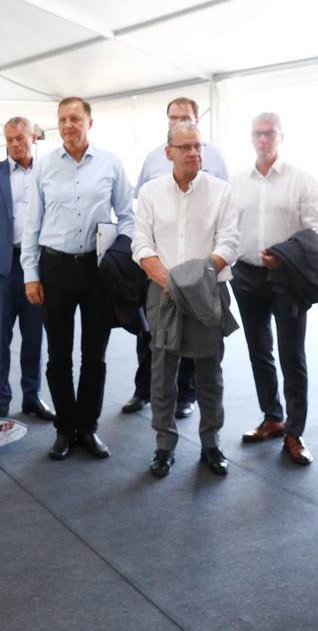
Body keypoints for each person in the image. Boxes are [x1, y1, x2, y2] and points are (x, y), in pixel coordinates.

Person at [22, 97, 134, 461]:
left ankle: (88, 427)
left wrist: (121, 256)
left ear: (89, 122)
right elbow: (32, 224)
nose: (68, 125)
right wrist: (31, 275)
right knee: (58, 356)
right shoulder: (44, 166)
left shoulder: (110, 163)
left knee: (94, 355)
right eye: (62, 120)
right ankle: (64, 429)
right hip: (55, 269)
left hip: (97, 270)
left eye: (74, 118)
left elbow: (128, 216)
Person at [133, 122, 239, 477]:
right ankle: (164, 446)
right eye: (186, 147)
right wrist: (171, 282)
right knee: (162, 375)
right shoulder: (150, 192)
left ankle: (211, 443)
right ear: (169, 153)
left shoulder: (221, 191)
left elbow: (229, 244)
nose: (194, 152)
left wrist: (193, 281)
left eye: (198, 146)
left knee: (209, 373)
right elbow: (141, 244)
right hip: (162, 291)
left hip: (207, 292)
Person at [230, 112, 318, 465]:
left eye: (269, 133)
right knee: (259, 351)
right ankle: (272, 418)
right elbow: (227, 228)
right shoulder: (236, 182)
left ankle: (295, 432)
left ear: (281, 137)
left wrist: (285, 258)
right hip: (246, 276)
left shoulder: (301, 180)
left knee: (292, 356)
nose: (263, 139)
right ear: (250, 137)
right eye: (257, 134)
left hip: (287, 278)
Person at [123, 97, 228, 417]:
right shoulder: (153, 159)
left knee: (200, 347)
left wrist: (195, 279)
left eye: (186, 117)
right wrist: (166, 277)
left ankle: (186, 396)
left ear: (198, 120)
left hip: (202, 277)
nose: (179, 120)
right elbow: (142, 219)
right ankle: (143, 391)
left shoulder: (213, 158)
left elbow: (225, 223)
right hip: (160, 273)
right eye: (173, 117)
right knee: (154, 340)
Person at [0, 117, 53, 421]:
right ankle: (1, 398)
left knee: (34, 338)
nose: (15, 144)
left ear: (33, 138)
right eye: (9, 140)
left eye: (20, 138)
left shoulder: (48, 172)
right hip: (1, 270)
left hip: (37, 268)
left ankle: (32, 396)